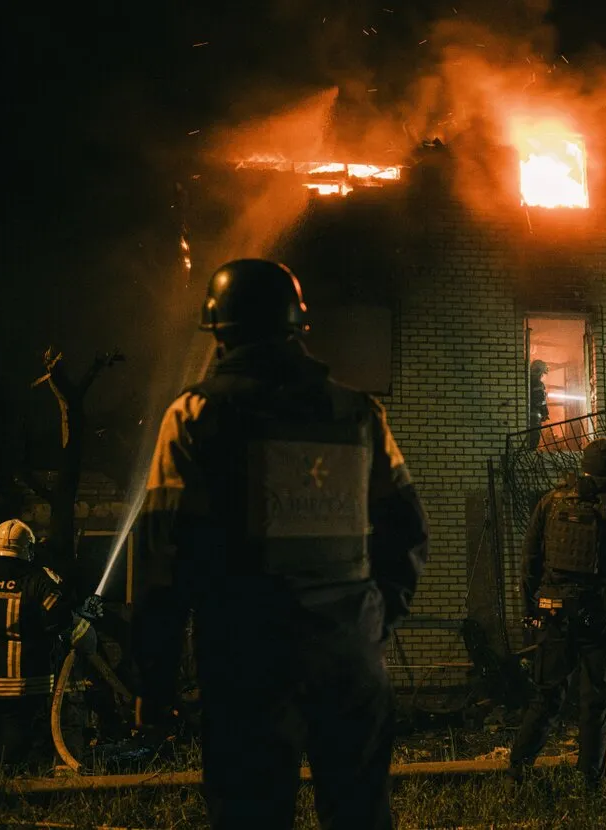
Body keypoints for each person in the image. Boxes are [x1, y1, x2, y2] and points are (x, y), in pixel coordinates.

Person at [132, 259, 428, 830]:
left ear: (219, 331)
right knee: (360, 814)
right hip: (350, 660)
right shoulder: (359, 413)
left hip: (247, 661)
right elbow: (409, 529)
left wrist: (155, 680)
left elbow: (162, 557)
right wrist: (373, 620)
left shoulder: (194, 416)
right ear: (298, 326)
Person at [509, 438, 606, 790]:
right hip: (599, 613)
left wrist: (531, 611)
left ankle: (518, 769)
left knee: (547, 696)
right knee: (596, 703)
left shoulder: (551, 501)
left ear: (583, 465)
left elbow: (530, 562)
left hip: (555, 613)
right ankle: (589, 783)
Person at [0, 519, 95, 766]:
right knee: (14, 743)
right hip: (22, 683)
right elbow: (61, 619)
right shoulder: (38, 580)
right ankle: (8, 787)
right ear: (28, 549)